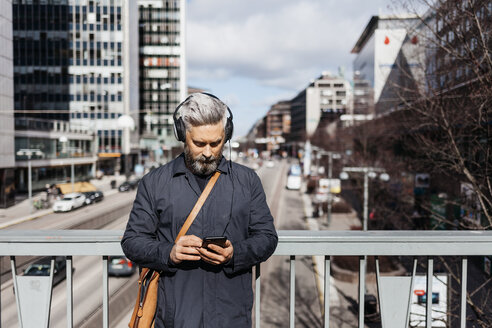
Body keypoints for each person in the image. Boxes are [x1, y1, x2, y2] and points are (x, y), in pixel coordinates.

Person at [121, 93, 278, 327]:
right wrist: (169, 253)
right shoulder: (154, 182)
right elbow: (132, 241)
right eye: (199, 143)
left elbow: (267, 237)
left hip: (232, 318)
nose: (208, 152)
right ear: (183, 136)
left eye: (216, 143)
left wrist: (235, 253)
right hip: (176, 319)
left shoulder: (248, 181)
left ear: (226, 137)